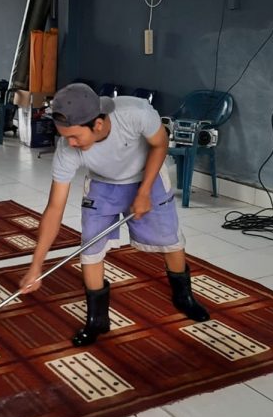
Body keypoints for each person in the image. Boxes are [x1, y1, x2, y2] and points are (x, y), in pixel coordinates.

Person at [19, 82, 210, 346]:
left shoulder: (135, 113)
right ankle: (97, 320)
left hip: (147, 175)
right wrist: (36, 266)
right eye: (65, 137)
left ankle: (183, 297)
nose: (69, 143)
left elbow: (160, 145)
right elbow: (54, 209)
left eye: (74, 137)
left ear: (97, 124)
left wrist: (144, 192)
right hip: (103, 184)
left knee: (170, 239)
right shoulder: (67, 149)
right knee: (90, 248)